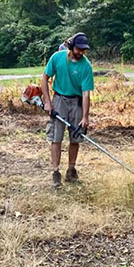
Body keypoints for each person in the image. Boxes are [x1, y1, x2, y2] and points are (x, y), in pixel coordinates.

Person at [41, 32, 94, 186]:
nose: (81, 52)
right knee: (56, 138)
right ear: (71, 47)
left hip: (76, 102)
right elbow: (44, 78)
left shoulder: (86, 66)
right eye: (78, 49)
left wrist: (85, 116)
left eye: (83, 50)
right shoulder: (57, 58)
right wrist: (48, 102)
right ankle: (56, 172)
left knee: (75, 138)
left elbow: (85, 94)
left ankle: (71, 170)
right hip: (59, 100)